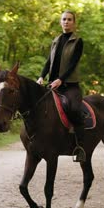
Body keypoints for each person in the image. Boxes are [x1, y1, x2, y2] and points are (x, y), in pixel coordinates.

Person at [37, 10, 86, 162]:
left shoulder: (78, 41)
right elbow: (48, 62)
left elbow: (72, 64)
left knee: (75, 109)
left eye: (69, 19)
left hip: (70, 85)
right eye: (64, 19)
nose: (66, 22)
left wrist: (61, 79)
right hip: (53, 85)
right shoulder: (56, 40)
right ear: (61, 22)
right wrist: (41, 76)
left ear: (74, 23)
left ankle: (80, 146)